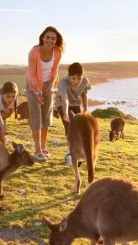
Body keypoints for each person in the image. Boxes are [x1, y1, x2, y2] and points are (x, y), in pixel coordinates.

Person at [25, 26, 63, 162]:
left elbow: (55, 71)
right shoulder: (34, 52)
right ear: (42, 38)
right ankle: (37, 150)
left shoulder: (58, 52)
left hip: (48, 85)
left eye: (53, 38)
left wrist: (49, 86)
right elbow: (31, 73)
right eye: (47, 37)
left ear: (56, 40)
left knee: (46, 117)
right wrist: (37, 91)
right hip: (32, 85)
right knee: (36, 117)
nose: (50, 40)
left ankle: (43, 145)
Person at [56, 62, 91, 135]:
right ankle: (70, 143)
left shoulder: (85, 81)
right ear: (69, 76)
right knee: (69, 123)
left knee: (79, 124)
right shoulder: (63, 82)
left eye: (79, 78)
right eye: (73, 78)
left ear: (82, 76)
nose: (76, 81)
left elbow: (84, 95)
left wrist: (85, 110)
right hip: (61, 102)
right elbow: (64, 98)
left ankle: (77, 143)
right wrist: (65, 113)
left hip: (75, 102)